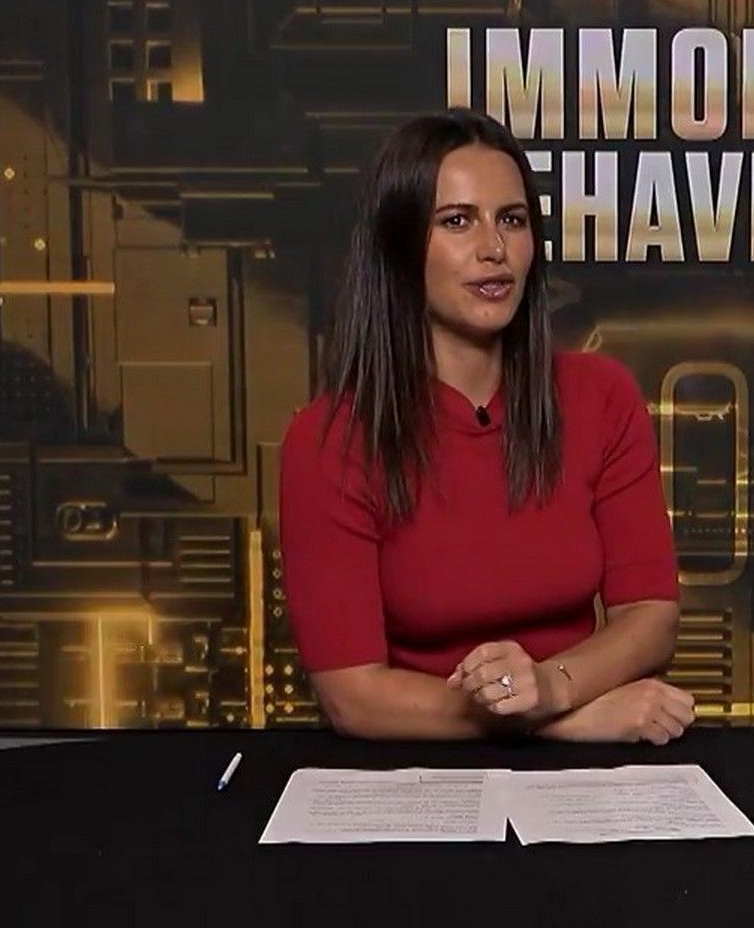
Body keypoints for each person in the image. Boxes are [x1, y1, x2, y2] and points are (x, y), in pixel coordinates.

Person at [279, 108, 694, 743]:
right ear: (399, 246)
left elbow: (651, 616)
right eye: (456, 221)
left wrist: (551, 687)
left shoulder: (601, 397)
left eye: (512, 220)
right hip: (417, 772)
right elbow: (353, 697)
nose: (493, 249)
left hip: (583, 768)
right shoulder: (328, 441)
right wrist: (555, 722)